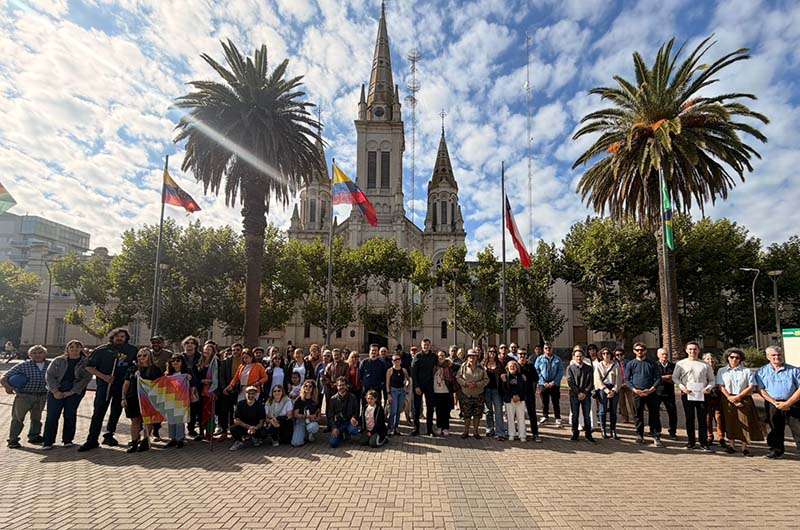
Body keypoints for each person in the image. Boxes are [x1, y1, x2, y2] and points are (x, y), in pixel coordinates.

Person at [79, 327, 137, 451]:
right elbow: (89, 367)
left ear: (126, 338)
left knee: (116, 412)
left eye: (122, 336)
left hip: (121, 387)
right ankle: (92, 439)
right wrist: (104, 377)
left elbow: (139, 364)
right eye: (117, 336)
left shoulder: (132, 350)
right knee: (98, 413)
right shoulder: (101, 350)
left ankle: (109, 435)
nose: (120, 338)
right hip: (104, 387)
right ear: (112, 337)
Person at [42, 340, 92, 450]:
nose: (74, 349)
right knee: (52, 416)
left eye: (77, 347)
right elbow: (49, 375)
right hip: (56, 390)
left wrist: (71, 392)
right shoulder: (58, 360)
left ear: (81, 349)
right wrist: (55, 391)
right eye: (72, 347)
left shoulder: (85, 362)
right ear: (67, 349)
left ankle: (68, 440)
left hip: (74, 392)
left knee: (70, 414)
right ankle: (48, 441)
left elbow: (85, 379)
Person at [755, 346, 800, 459]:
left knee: (798, 428)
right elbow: (761, 390)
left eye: (779, 355)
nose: (777, 357)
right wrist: (774, 402)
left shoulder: (794, 370)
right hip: (772, 404)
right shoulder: (761, 372)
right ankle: (776, 451)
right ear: (767, 357)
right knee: (774, 428)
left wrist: (788, 403)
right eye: (773, 355)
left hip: (793, 403)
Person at [1, 345, 49, 448]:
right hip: (24, 396)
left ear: (45, 354)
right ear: (29, 355)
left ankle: (34, 436)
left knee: (36, 418)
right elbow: (4, 377)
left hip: (41, 396)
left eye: (40, 352)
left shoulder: (49, 365)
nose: (37, 355)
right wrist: (8, 387)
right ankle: (13, 440)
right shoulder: (23, 365)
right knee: (18, 418)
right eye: (34, 353)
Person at [717, 348, 763, 456]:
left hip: (744, 398)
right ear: (727, 358)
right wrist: (729, 397)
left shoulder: (747, 371)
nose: (734, 359)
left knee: (745, 421)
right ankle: (731, 445)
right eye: (731, 357)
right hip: (727, 399)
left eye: (737, 357)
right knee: (730, 421)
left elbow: (751, 386)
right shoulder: (722, 371)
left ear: (740, 359)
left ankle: (745, 447)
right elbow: (721, 386)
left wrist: (739, 396)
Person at [671, 341, 716, 451]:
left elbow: (712, 380)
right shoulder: (680, 364)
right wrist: (682, 387)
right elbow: (675, 378)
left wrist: (708, 388)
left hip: (702, 395)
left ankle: (703, 442)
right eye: (690, 349)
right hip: (687, 394)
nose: (692, 351)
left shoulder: (705, 365)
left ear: (699, 350)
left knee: (702, 419)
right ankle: (691, 442)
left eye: (695, 349)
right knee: (689, 418)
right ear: (686, 350)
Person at [121, 348, 163, 453]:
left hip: (148, 400)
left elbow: (160, 385)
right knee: (135, 421)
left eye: (144, 355)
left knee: (148, 421)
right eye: (139, 355)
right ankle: (134, 442)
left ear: (150, 357)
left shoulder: (155, 370)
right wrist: (123, 397)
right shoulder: (132, 369)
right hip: (132, 398)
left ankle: (145, 441)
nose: (141, 358)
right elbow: (126, 384)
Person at [625, 342, 663, 447]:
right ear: (634, 351)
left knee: (654, 415)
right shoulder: (630, 364)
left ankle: (656, 435)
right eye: (637, 350)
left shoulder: (652, 363)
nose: (639, 352)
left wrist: (651, 389)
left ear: (645, 350)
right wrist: (634, 389)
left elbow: (658, 378)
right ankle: (639, 435)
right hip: (637, 393)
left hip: (651, 393)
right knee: (638, 415)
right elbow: (627, 380)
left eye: (641, 350)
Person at [456, 349, 488, 438]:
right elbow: (458, 377)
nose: (472, 358)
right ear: (467, 357)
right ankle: (466, 432)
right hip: (466, 394)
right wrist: (465, 383)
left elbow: (486, 380)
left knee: (477, 415)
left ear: (477, 357)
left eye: (474, 356)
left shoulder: (481, 367)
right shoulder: (463, 366)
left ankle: (476, 432)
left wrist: (477, 384)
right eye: (470, 356)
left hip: (478, 394)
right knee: (467, 414)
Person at [567, 348, 596, 443]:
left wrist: (585, 393)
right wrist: (578, 393)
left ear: (583, 357)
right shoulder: (570, 368)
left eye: (580, 356)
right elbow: (570, 382)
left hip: (586, 395)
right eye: (577, 356)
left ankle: (588, 435)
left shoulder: (589, 368)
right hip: (574, 395)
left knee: (587, 416)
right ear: (574, 357)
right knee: (575, 415)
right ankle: (575, 434)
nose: (579, 358)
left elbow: (591, 383)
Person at [410, 338, 437, 436]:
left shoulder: (434, 356)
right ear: (421, 345)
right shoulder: (417, 356)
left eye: (427, 345)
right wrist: (416, 386)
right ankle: (416, 429)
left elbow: (439, 366)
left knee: (430, 408)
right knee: (417, 408)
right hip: (419, 386)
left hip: (430, 386)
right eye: (424, 345)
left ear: (430, 345)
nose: (426, 346)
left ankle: (430, 430)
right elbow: (413, 372)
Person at [594, 347, 621, 439]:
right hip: (603, 388)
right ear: (601, 355)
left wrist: (613, 390)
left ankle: (613, 430)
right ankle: (603, 430)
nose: (606, 355)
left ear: (611, 355)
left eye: (608, 353)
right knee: (603, 410)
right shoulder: (599, 365)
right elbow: (597, 379)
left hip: (614, 388)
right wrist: (606, 390)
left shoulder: (616, 365)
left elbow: (619, 379)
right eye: (604, 354)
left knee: (613, 411)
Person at [229, 386, 267, 451]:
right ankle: (239, 441)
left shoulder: (260, 405)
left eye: (253, 393)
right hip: (244, 426)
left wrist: (254, 428)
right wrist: (248, 427)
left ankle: (255, 438)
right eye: (248, 393)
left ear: (255, 394)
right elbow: (236, 420)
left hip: (255, 427)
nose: (250, 395)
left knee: (264, 432)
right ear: (245, 394)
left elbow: (261, 422)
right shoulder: (240, 404)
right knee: (232, 429)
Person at [535, 342, 563, 428]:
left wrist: (554, 382)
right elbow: (536, 371)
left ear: (552, 349)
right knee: (544, 402)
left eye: (549, 348)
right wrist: (543, 382)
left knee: (555, 402)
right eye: (546, 348)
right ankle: (545, 416)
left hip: (554, 384)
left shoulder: (557, 359)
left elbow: (560, 372)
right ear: (543, 349)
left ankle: (558, 418)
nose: (548, 350)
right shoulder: (539, 359)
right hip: (543, 384)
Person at [165, 353, 190, 448]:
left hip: (181, 400)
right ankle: (172, 438)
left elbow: (193, 383)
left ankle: (180, 438)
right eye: (173, 361)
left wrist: (189, 379)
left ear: (182, 362)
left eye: (178, 360)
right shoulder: (168, 374)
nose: (175, 362)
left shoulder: (186, 373)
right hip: (170, 400)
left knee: (179, 420)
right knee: (171, 420)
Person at [181, 336, 204, 438]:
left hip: (197, 386)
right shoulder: (180, 357)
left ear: (195, 345)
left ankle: (192, 429)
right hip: (182, 387)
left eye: (192, 343)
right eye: (187, 343)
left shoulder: (200, 357)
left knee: (195, 409)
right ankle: (180, 431)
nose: (189, 345)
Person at [328, 377, 360, 448]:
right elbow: (330, 415)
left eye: (343, 385)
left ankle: (347, 433)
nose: (341, 387)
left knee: (354, 430)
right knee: (333, 444)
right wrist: (334, 428)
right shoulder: (333, 399)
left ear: (346, 386)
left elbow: (357, 411)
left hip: (349, 422)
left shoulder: (353, 397)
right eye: (339, 385)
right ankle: (341, 435)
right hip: (339, 424)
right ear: (336, 386)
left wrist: (354, 417)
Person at [517, 349, 541, 442]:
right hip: (518, 394)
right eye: (520, 354)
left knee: (532, 414)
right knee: (517, 414)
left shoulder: (530, 366)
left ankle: (535, 433)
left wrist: (527, 378)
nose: (522, 356)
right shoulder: (515, 365)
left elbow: (536, 378)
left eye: (524, 354)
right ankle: (519, 432)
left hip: (529, 393)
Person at [197, 341, 219, 441]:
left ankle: (209, 433)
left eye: (209, 350)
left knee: (210, 413)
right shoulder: (199, 361)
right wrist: (201, 381)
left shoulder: (215, 362)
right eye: (205, 349)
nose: (207, 351)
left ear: (213, 351)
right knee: (201, 412)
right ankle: (201, 432)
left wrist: (210, 382)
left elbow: (217, 377)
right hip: (200, 390)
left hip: (211, 390)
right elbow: (196, 375)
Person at [500, 360, 528, 442]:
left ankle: (522, 435)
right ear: (507, 368)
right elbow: (503, 390)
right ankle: (511, 434)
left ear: (517, 367)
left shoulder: (522, 377)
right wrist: (512, 396)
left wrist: (519, 396)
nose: (512, 367)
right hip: (509, 400)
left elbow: (525, 389)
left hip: (520, 400)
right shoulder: (505, 377)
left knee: (521, 418)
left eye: (514, 366)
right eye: (510, 366)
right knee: (510, 418)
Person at [655, 347, 678, 440]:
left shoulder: (673, 366)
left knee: (672, 412)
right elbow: (654, 378)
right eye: (662, 354)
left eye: (666, 354)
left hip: (669, 393)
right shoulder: (654, 365)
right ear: (658, 355)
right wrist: (666, 377)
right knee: (655, 413)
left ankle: (672, 432)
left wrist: (662, 378)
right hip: (657, 393)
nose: (664, 356)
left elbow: (675, 378)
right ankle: (656, 431)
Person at [703, 352, 725, 448]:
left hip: (718, 397)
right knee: (708, 418)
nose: (710, 361)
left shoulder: (720, 371)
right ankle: (709, 436)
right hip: (706, 397)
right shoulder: (703, 371)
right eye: (707, 359)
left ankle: (721, 437)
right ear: (704, 361)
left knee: (719, 418)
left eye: (712, 359)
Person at [433, 350, 456, 436]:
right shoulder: (434, 366)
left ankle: (446, 428)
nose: (441, 357)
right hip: (436, 391)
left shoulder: (449, 366)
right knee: (438, 411)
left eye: (442, 355)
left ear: (445, 356)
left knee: (446, 411)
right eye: (439, 355)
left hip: (446, 391)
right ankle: (439, 427)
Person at [385, 353, 409, 435]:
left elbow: (408, 379)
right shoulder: (390, 370)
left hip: (402, 391)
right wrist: (388, 394)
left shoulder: (404, 370)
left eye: (398, 359)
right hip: (393, 391)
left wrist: (406, 385)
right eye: (395, 360)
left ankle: (396, 428)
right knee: (393, 411)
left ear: (401, 360)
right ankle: (390, 428)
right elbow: (387, 383)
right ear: (392, 361)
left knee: (399, 410)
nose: (397, 361)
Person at [291, 380, 320, 447]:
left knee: (313, 426)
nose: (308, 388)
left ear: (313, 388)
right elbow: (295, 414)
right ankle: (304, 435)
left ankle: (310, 434)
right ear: (303, 387)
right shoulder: (299, 399)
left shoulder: (315, 400)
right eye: (306, 386)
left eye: (310, 386)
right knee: (296, 443)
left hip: (311, 422)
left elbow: (319, 416)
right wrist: (306, 416)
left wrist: (315, 418)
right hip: (301, 421)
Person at [615, 348, 635, 424]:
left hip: (628, 385)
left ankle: (635, 417)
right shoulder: (614, 364)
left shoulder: (629, 362)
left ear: (624, 355)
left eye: (621, 354)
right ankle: (625, 418)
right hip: (619, 385)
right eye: (617, 355)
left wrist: (628, 382)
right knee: (621, 402)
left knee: (632, 402)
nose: (619, 356)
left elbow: (633, 373)